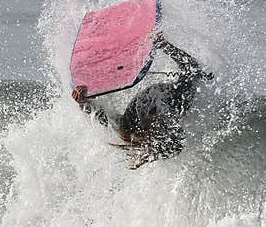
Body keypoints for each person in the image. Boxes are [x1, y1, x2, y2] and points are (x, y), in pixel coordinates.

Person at [72, 32, 213, 169]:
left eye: (161, 130)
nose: (164, 123)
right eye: (169, 126)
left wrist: (83, 102)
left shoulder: (130, 128)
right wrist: (165, 45)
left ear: (150, 137)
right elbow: (191, 69)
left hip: (138, 102)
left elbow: (104, 118)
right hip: (160, 91)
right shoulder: (179, 103)